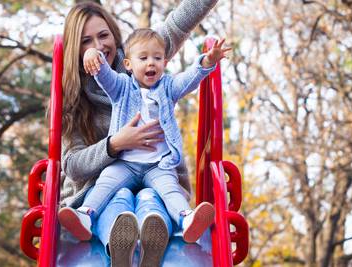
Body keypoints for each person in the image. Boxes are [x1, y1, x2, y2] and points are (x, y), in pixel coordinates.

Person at [58, 1, 221, 266]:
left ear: (114, 33)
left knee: (153, 197)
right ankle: (115, 239)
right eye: (87, 41)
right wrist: (115, 144)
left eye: (103, 35)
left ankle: (156, 237)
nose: (98, 47)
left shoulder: (144, 57)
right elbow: (72, 166)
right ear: (75, 50)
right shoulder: (78, 95)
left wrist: (205, 63)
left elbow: (180, 22)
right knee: (117, 198)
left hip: (155, 173)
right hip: (102, 186)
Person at [75, 28, 229, 244]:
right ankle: (85, 216)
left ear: (164, 63)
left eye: (157, 58)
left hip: (158, 165)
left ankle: (187, 219)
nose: (151, 63)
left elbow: (188, 80)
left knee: (170, 190)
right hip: (125, 164)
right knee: (105, 183)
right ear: (128, 65)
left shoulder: (167, 88)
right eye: (143, 58)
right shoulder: (121, 87)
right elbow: (104, 75)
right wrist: (94, 55)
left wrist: (206, 63)